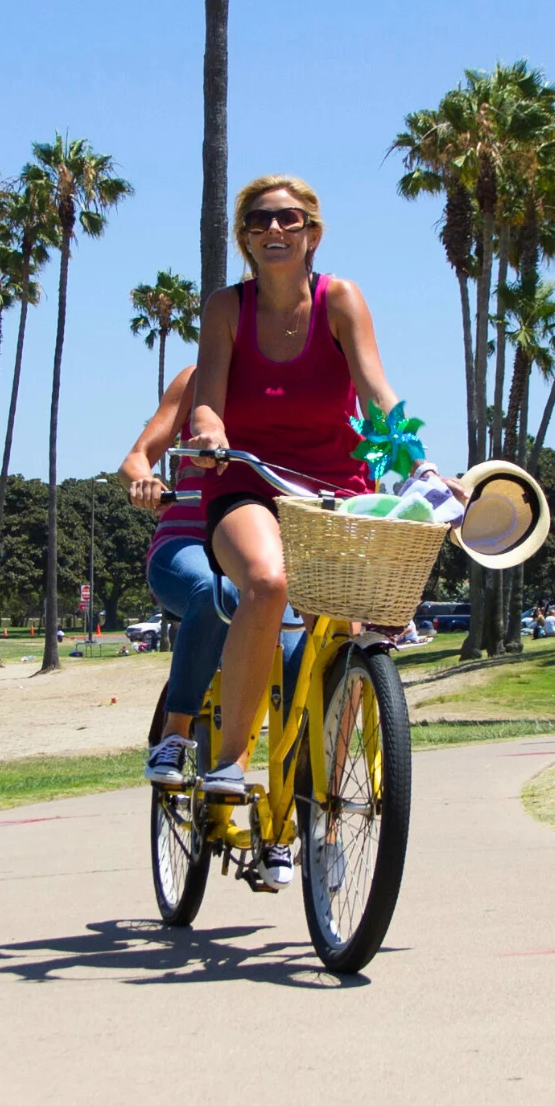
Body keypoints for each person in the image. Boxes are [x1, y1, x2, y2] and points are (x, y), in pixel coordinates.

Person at [176, 176, 419, 885]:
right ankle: (229, 762)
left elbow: (376, 390)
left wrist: (418, 460)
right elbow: (207, 402)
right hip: (246, 480)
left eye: (289, 218)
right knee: (267, 580)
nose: (273, 230)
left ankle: (324, 821)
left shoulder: (341, 300)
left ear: (313, 231)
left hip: (336, 488)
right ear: (244, 238)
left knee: (345, 636)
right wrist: (209, 433)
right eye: (258, 221)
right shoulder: (227, 308)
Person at [117, 363, 233, 795]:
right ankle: (174, 735)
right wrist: (143, 481)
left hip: (267, 547)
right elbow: (135, 459)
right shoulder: (196, 378)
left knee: (303, 653)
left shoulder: (298, 377)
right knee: (214, 591)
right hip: (185, 543)